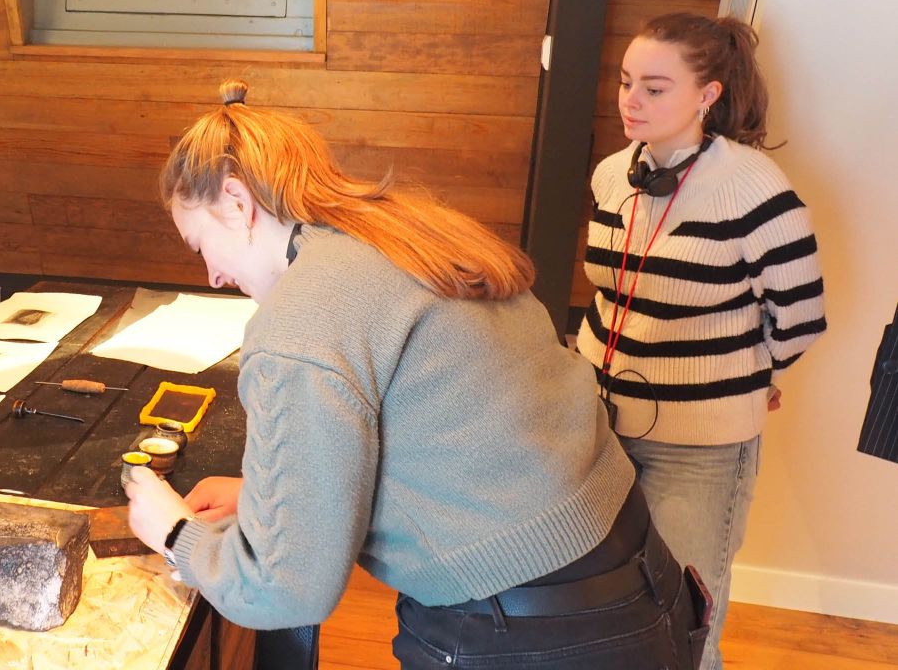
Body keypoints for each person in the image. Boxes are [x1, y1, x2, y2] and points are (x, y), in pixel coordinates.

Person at [125, 80, 710, 669]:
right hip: (639, 578)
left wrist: (176, 534)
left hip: (528, 631)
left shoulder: (302, 319)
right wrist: (275, 500)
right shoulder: (406, 230)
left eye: (200, 244)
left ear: (235, 201)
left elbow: (284, 589)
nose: (214, 276)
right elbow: (450, 425)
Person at [576, 13, 825, 670]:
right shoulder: (610, 175)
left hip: (700, 449)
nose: (630, 99)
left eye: (654, 88)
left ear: (707, 94)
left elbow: (799, 314)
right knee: (600, 605)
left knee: (678, 621)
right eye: (626, 81)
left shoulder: (753, 189)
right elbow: (610, 291)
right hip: (598, 430)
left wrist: (748, 373)